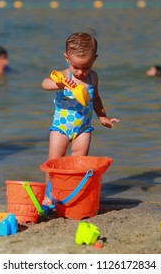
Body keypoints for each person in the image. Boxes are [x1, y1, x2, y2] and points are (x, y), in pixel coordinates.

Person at [41, 32, 119, 205]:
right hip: (60, 128)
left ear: (94, 60)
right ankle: (48, 194)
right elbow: (44, 83)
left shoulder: (93, 78)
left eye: (86, 67)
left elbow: (96, 98)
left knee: (78, 164)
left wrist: (103, 116)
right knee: (54, 163)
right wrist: (58, 84)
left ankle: (71, 193)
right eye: (76, 67)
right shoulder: (64, 76)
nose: (81, 72)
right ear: (66, 58)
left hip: (83, 129)